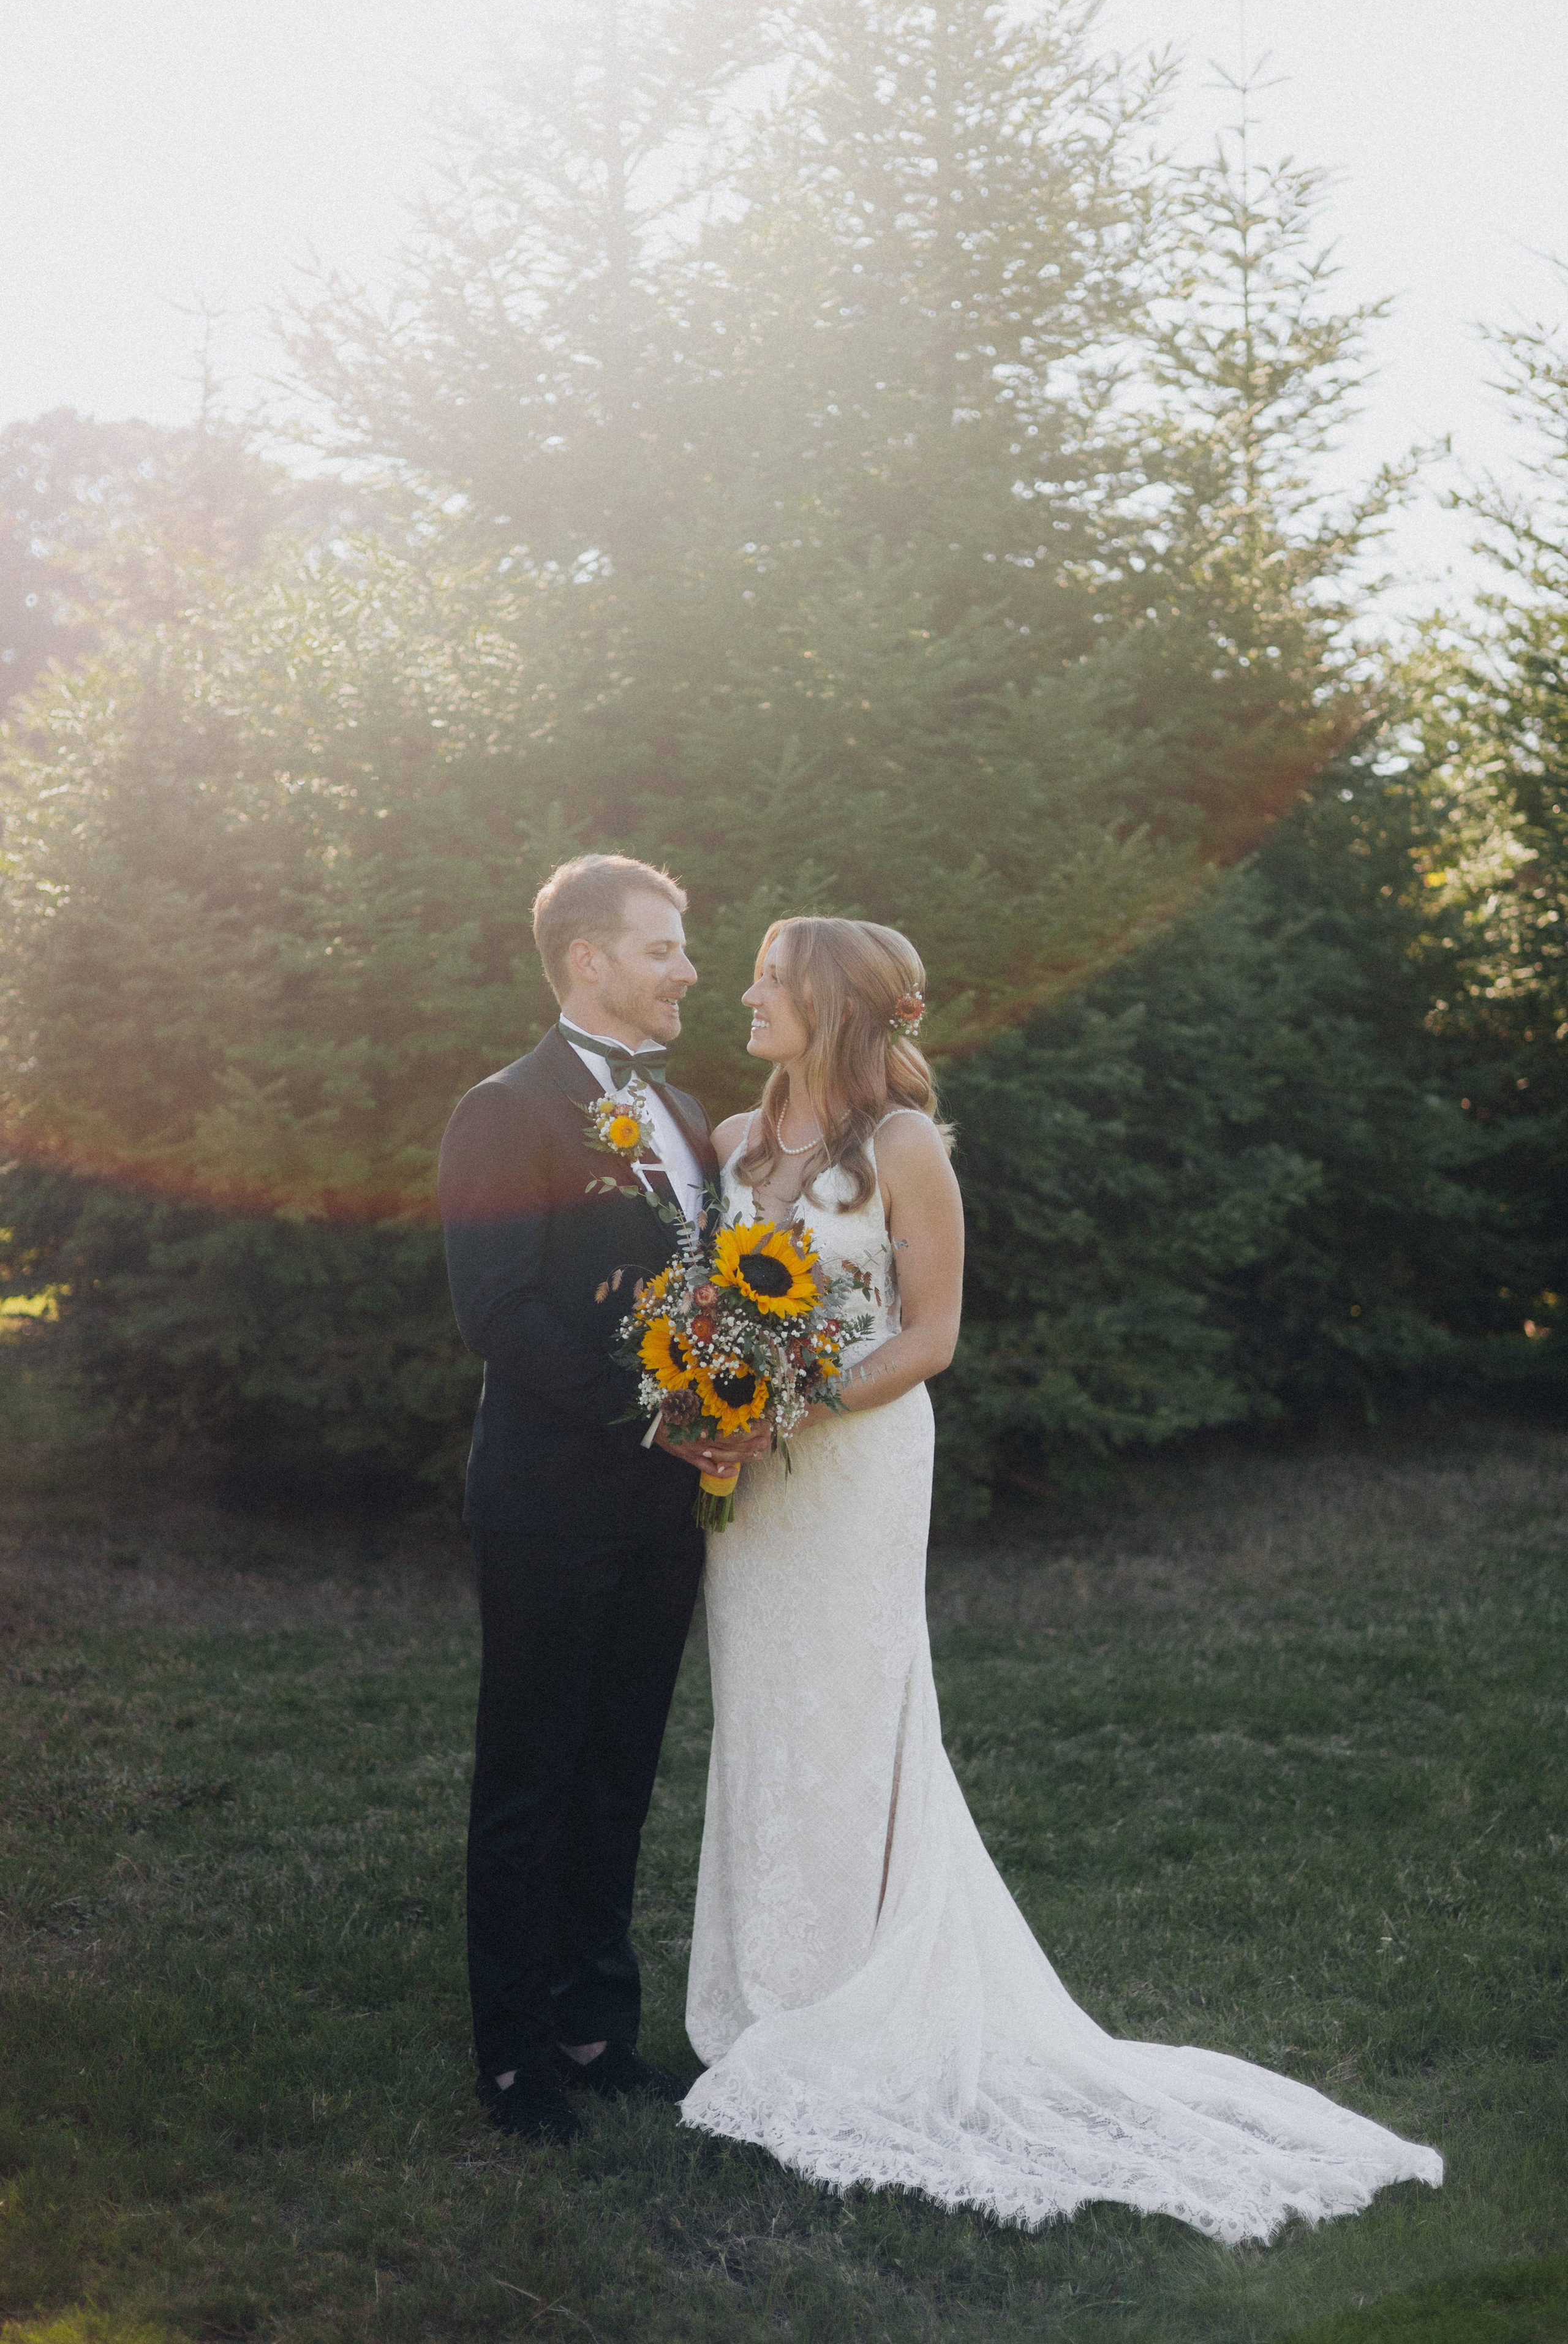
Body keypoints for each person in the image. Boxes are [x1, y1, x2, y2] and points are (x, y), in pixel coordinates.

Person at [679, 914, 1444, 2242]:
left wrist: (791, 1407)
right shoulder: (732, 1148)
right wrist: (712, 1396)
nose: (744, 994)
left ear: (836, 1008)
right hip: (748, 1484)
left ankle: (859, 1992)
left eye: (768, 978)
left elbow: (931, 1335)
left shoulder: (907, 1151)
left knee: (856, 1710)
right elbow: (702, 1309)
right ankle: (764, 1995)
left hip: (853, 1467)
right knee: (760, 1713)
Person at [437, 853, 767, 2145]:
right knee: (531, 1771)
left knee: (621, 1767)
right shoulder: (503, 1112)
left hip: (662, 1509)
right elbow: (500, 1311)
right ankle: (513, 2055)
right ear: (589, 958)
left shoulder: (683, 1111)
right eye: (664, 948)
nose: (687, 970)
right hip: (547, 1500)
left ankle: (595, 2025)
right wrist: (667, 1420)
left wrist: (732, 1400)